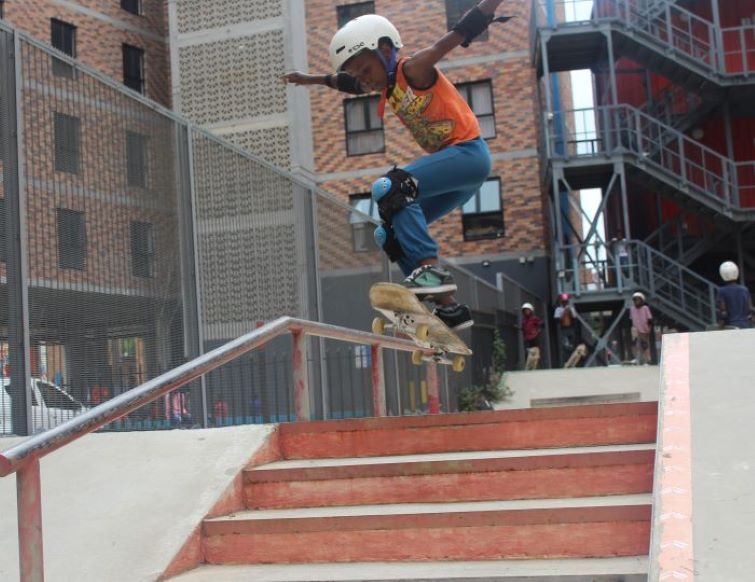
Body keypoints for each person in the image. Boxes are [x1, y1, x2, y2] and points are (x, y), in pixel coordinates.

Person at [281, 2, 511, 330]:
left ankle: (431, 274)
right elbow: (344, 83)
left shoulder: (412, 69)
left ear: (386, 50)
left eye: (366, 71)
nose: (365, 81)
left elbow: (456, 34)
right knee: (386, 231)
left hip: (469, 155)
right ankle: (447, 310)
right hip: (457, 174)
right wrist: (308, 79)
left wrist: (489, 6)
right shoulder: (384, 86)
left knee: (391, 188)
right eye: (359, 75)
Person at [716, 261, 753, 329]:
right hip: (746, 326)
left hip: (731, 327)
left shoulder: (721, 291)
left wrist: (719, 328)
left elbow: (723, 313)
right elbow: (750, 309)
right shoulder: (745, 289)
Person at [553, 293, 579, 366]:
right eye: (563, 301)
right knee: (565, 345)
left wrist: (570, 312)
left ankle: (573, 361)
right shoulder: (558, 309)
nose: (565, 302)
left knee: (572, 345)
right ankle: (566, 361)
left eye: (566, 301)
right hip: (563, 329)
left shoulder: (571, 308)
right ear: (561, 301)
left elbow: (575, 319)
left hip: (571, 328)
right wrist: (563, 313)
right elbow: (557, 321)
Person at [629, 291, 653, 365]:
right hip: (635, 329)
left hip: (644, 329)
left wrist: (649, 328)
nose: (636, 301)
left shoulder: (645, 308)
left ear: (642, 300)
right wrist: (632, 328)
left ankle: (648, 360)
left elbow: (649, 319)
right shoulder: (632, 309)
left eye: (638, 300)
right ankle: (636, 358)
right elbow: (631, 319)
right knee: (634, 344)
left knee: (644, 345)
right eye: (635, 300)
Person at [521, 303, 542, 370]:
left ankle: (534, 369)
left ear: (531, 310)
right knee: (528, 357)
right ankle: (528, 369)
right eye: (525, 310)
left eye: (527, 310)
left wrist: (537, 332)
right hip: (527, 340)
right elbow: (524, 330)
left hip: (534, 340)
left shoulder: (534, 318)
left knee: (535, 357)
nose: (526, 312)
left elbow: (540, 325)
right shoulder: (524, 321)